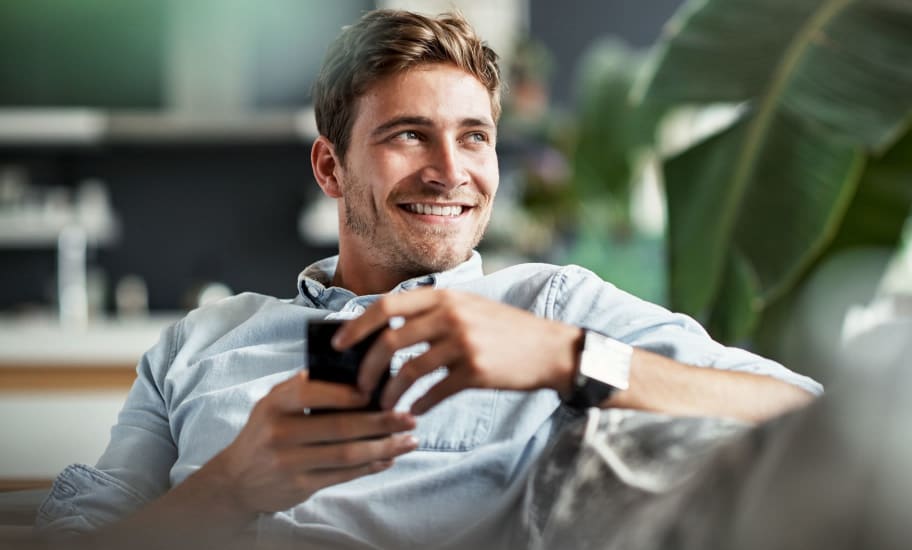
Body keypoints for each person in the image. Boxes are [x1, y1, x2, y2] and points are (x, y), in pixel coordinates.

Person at [35, 9, 820, 549]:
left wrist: (569, 358)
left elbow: (804, 408)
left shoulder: (550, 307)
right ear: (330, 165)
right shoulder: (197, 344)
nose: (451, 172)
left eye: (474, 137)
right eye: (410, 135)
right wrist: (234, 485)